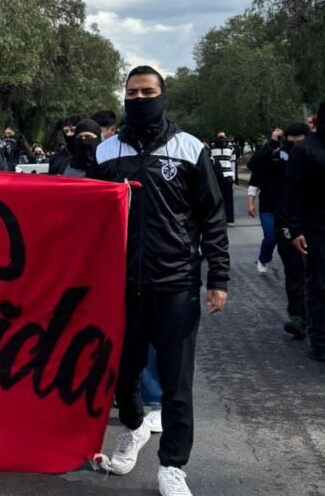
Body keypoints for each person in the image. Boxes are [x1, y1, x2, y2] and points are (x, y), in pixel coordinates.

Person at [94, 65, 229, 496]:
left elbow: (211, 216)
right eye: (131, 92)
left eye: (146, 92)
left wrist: (218, 277)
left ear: (162, 95)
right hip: (121, 286)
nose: (138, 99)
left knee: (175, 382)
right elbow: (86, 218)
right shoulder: (105, 152)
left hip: (176, 282)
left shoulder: (190, 148)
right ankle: (133, 427)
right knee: (120, 375)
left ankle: (173, 466)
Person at [249, 123, 310, 339]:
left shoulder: (315, 154)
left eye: (300, 142)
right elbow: (254, 164)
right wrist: (271, 144)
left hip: (313, 222)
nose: (296, 147)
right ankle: (299, 318)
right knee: (295, 272)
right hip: (286, 222)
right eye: (290, 142)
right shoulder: (277, 157)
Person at [287, 103, 325, 362]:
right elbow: (291, 193)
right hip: (316, 230)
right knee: (320, 285)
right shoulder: (305, 150)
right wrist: (296, 229)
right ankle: (320, 341)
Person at [247, 128, 284, 273]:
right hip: (267, 207)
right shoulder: (262, 162)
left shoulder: (289, 157)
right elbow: (253, 184)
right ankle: (264, 258)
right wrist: (250, 203)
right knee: (270, 237)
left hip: (286, 206)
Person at [211, 132, 237, 225]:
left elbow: (233, 163)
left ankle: (228, 219)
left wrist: (233, 177)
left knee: (225, 199)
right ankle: (224, 219)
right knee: (219, 199)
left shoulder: (231, 148)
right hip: (220, 175)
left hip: (225, 175)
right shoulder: (212, 148)